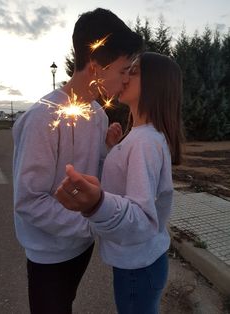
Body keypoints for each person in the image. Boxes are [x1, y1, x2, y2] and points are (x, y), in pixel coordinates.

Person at [12, 8, 143, 314]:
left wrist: (112, 154)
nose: (126, 80)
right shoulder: (42, 119)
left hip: (81, 246)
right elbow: (29, 201)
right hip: (49, 255)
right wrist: (94, 226)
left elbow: (94, 175)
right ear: (96, 66)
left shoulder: (97, 114)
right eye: (123, 70)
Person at [55, 51, 184, 314]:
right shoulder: (139, 138)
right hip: (141, 262)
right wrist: (113, 149)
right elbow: (125, 186)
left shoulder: (144, 143)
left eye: (133, 72)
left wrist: (97, 204)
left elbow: (142, 216)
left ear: (154, 84)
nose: (124, 77)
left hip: (138, 266)